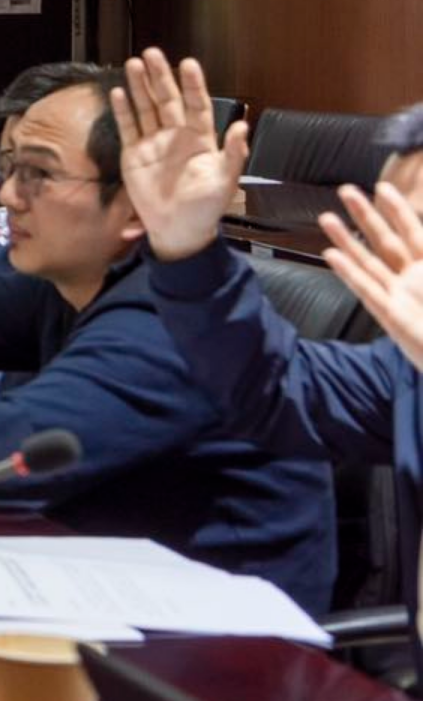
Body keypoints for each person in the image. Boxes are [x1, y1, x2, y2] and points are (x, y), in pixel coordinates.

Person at [0, 19, 333, 605]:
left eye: (39, 174)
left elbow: (8, 451)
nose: (7, 195)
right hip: (102, 582)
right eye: (9, 170)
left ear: (137, 203)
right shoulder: (78, 282)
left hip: (224, 632)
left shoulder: (173, 318)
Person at [116, 53, 423, 625]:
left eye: (415, 230)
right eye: (383, 226)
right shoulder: (404, 370)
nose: (393, 259)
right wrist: (187, 248)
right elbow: (265, 386)